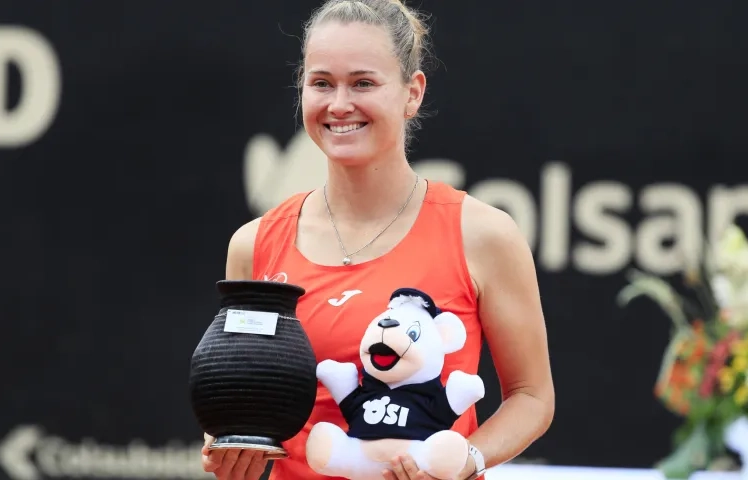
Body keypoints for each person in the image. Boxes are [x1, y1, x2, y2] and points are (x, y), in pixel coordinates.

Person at [201, 0, 555, 479]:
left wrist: (460, 462)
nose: (339, 103)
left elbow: (532, 397)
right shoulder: (254, 243)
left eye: (363, 83)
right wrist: (227, 443)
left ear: (413, 93)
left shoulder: (482, 234)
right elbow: (238, 393)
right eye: (321, 82)